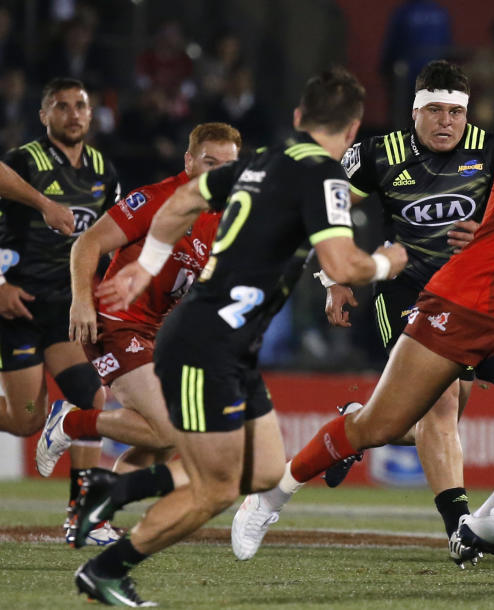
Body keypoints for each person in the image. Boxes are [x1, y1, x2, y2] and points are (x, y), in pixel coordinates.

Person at [233, 59, 494, 566]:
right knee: (380, 426)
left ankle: (491, 517)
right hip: (458, 302)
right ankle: (270, 497)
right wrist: (334, 277)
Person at [69, 68, 407, 607]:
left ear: (299, 119)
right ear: (352, 131)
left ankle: (116, 488)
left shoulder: (262, 161)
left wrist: (146, 263)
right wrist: (389, 260)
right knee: (218, 488)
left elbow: (181, 201)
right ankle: (106, 570)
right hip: (209, 342)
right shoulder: (323, 177)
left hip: (229, 344)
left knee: (267, 470)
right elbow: (344, 261)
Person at [232, 59, 494, 568]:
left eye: (456, 113)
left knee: (419, 421)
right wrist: (333, 279)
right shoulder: (378, 154)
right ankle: (461, 531)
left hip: (470, 301)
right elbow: (328, 212)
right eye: (436, 111)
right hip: (407, 293)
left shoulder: (491, 151)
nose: (447, 122)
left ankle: (354, 426)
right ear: (415, 111)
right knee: (441, 409)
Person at [35, 123, 241, 532]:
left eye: (228, 166)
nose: (219, 173)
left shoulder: (224, 219)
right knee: (166, 430)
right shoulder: (156, 200)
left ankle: (91, 518)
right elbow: (86, 244)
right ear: (189, 161)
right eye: (209, 162)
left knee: (158, 448)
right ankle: (70, 421)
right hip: (116, 321)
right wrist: (80, 300)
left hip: (159, 335)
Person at [0, 77, 121, 546]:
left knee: (92, 397)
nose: (73, 114)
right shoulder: (24, 160)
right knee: (28, 419)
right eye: (62, 106)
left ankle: (85, 517)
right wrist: (2, 283)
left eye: (81, 106)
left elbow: (113, 236)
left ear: (91, 115)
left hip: (64, 307)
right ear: (44, 115)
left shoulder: (103, 171)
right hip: (18, 303)